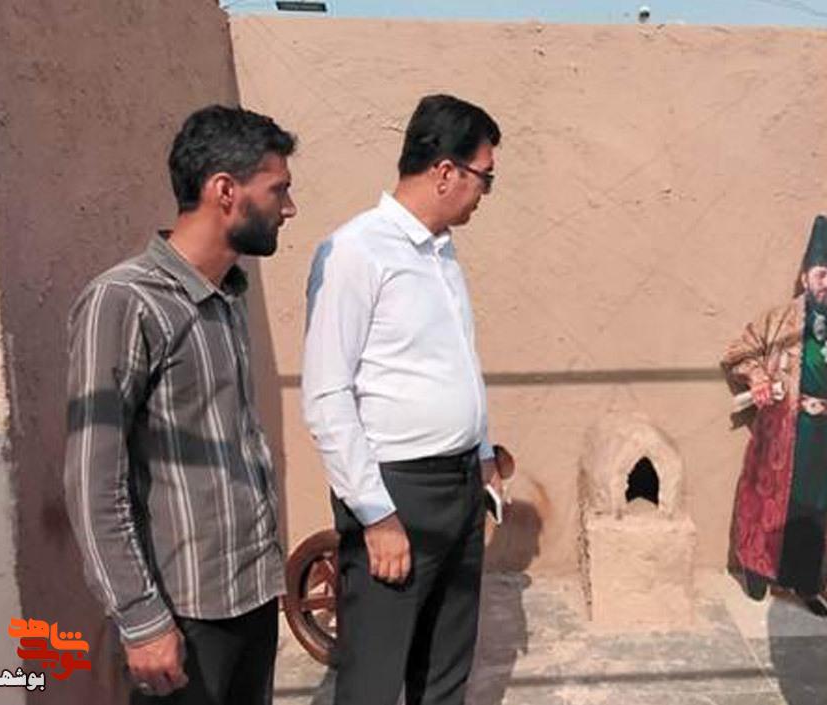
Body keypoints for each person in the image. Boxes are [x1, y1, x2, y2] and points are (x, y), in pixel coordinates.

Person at [64, 105, 298, 703]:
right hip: (182, 616)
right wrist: (142, 619)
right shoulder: (125, 301)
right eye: (278, 189)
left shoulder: (228, 295)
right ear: (225, 191)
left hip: (251, 595)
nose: (289, 208)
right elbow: (94, 482)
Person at [301, 93, 503, 705]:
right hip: (398, 494)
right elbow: (327, 394)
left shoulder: (442, 254)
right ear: (446, 172)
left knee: (445, 668)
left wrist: (483, 456)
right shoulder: (355, 252)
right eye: (484, 178)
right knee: (375, 675)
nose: (485, 194)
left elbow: (458, 362)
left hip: (460, 488)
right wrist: (376, 515)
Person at [722, 215, 827, 614]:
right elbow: (737, 352)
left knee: (815, 510)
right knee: (766, 502)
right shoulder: (778, 320)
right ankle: (757, 571)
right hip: (781, 431)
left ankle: (806, 583)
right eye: (821, 275)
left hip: (825, 436)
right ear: (806, 278)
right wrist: (757, 376)